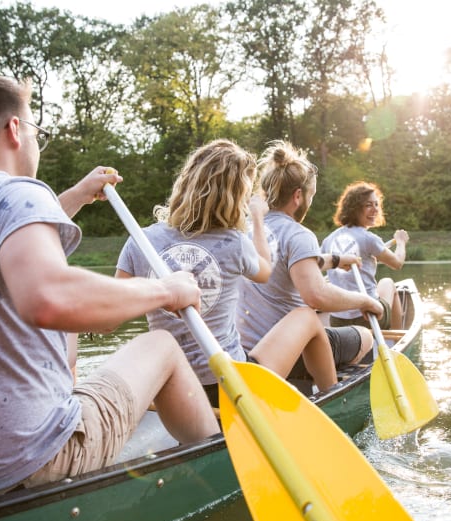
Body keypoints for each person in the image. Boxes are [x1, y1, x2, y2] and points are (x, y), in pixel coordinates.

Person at [0, 69, 219, 507]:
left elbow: (5, 247)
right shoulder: (17, 193)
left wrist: (77, 196)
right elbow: (50, 298)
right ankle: (222, 476)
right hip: (26, 463)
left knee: (66, 360)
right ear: (15, 129)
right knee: (162, 344)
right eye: (36, 130)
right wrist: (165, 290)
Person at [115, 139, 338, 404]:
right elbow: (265, 271)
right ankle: (333, 401)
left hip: (171, 385)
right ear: (236, 195)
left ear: (185, 181)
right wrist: (256, 217)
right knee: (307, 316)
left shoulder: (141, 241)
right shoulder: (235, 242)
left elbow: (110, 318)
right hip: (229, 383)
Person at [237, 140, 382, 378]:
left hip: (246, 349)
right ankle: (326, 385)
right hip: (288, 353)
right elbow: (317, 296)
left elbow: (283, 264)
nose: (310, 202)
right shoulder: (297, 233)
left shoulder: (250, 228)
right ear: (297, 196)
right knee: (365, 336)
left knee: (321, 322)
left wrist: (335, 260)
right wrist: (365, 301)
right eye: (310, 195)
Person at [321, 181, 409, 330]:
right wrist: (401, 242)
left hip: (337, 320)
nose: (375, 210)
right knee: (387, 282)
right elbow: (397, 263)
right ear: (354, 209)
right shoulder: (369, 239)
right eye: (368, 205)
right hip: (368, 318)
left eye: (376, 204)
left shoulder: (328, 240)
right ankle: (396, 340)